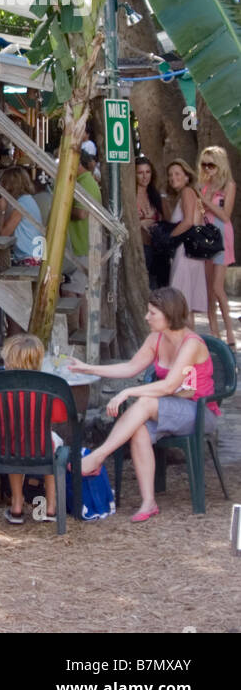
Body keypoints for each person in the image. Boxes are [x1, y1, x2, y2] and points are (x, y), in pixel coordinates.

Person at [78, 287, 220, 521]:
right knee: (140, 429)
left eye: (152, 313)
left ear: (169, 314)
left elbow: (168, 386)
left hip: (199, 411)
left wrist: (126, 393)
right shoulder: (155, 339)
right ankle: (148, 502)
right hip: (169, 407)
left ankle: (98, 456)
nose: (146, 317)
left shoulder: (191, 344)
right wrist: (88, 368)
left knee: (144, 403)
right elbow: (130, 367)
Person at [0, 333, 60, 524]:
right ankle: (50, 507)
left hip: (9, 448)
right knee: (53, 447)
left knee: (12, 445)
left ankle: (16, 505)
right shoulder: (47, 387)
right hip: (42, 447)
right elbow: (59, 415)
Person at [197, 146, 236, 347]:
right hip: (206, 236)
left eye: (211, 164)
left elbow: (225, 215)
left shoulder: (229, 185)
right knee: (208, 290)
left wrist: (204, 201)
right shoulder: (204, 185)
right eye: (204, 164)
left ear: (219, 164)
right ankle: (214, 333)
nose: (207, 169)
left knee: (217, 287)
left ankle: (229, 330)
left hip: (221, 234)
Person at [166, 158, 209, 324]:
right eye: (170, 175)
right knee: (187, 308)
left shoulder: (187, 192)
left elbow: (189, 221)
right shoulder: (189, 193)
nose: (173, 178)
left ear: (186, 176)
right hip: (191, 253)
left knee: (181, 303)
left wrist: (168, 238)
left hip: (185, 252)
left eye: (177, 173)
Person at [0, 165, 44, 265]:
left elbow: (2, 236)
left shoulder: (21, 205)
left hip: (28, 259)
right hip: (35, 256)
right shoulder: (27, 200)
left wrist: (2, 211)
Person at [136, 155, 170, 291]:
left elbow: (167, 221)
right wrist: (142, 223)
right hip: (140, 249)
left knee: (158, 289)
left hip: (158, 250)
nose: (145, 176)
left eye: (148, 172)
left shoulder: (156, 196)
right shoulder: (130, 197)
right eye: (140, 173)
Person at [67, 148, 102, 270]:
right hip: (79, 247)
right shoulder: (80, 181)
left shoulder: (86, 182)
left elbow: (82, 213)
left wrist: (63, 207)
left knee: (73, 289)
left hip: (82, 248)